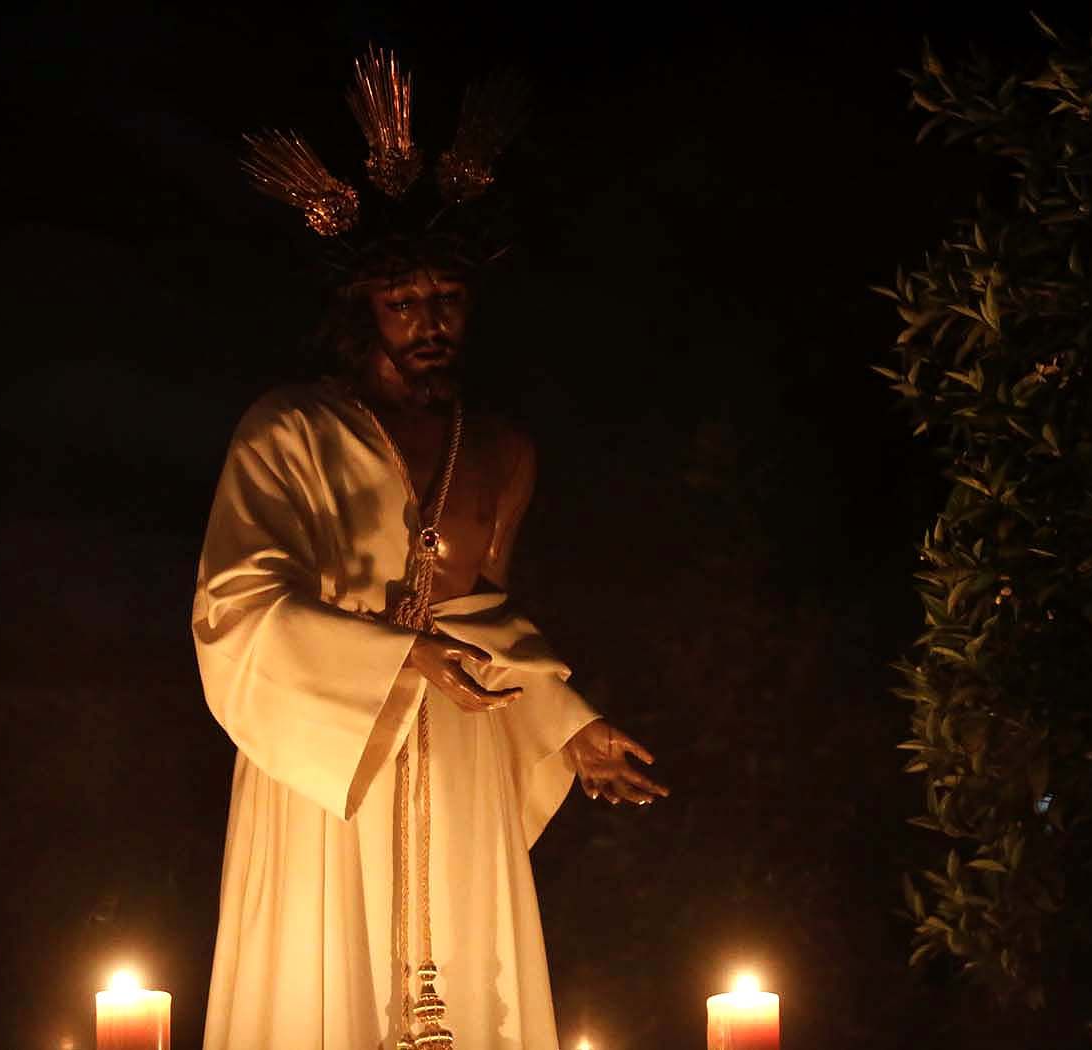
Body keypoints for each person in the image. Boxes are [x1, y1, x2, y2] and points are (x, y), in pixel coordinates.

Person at [193, 49, 667, 1050]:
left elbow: (479, 603)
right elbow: (236, 607)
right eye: (403, 301)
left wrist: (568, 723)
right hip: (329, 756)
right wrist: (393, 655)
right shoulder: (286, 434)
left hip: (457, 745)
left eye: (446, 297)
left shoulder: (499, 450)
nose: (430, 322)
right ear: (357, 311)